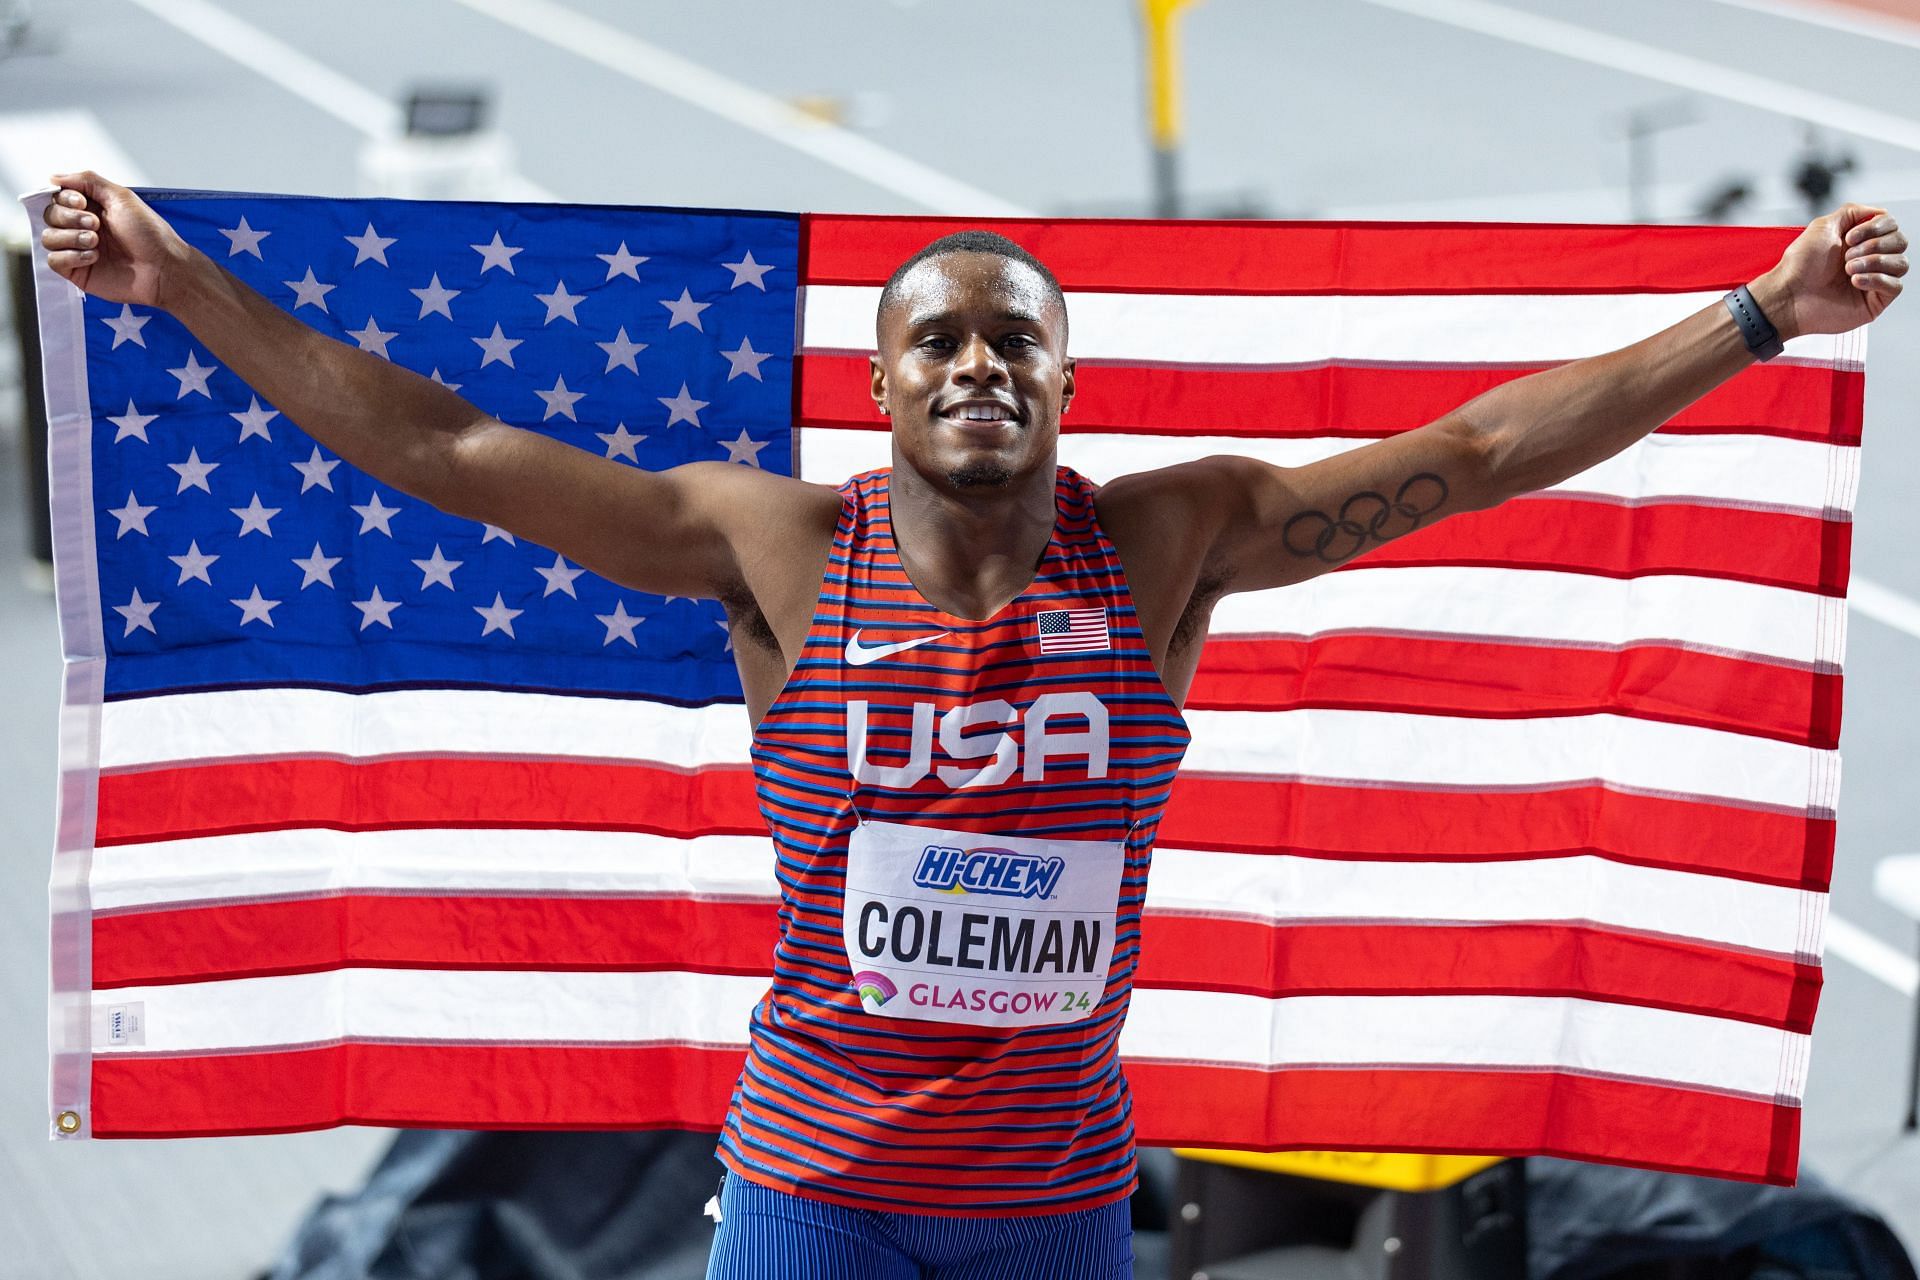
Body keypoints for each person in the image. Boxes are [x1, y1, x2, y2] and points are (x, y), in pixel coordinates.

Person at [41, 173, 1907, 1280]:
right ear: (884, 385)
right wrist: (179, 281)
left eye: (1016, 339)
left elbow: (1481, 455)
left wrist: (1761, 312)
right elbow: (449, 451)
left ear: (1067, 384)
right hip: (812, 1195)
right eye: (939, 339)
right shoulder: (771, 546)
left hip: (1054, 1210)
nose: (979, 364)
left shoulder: (1168, 545)